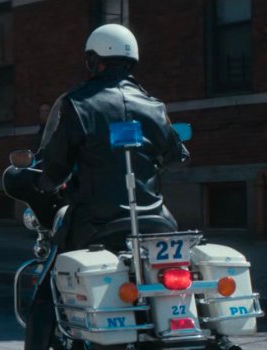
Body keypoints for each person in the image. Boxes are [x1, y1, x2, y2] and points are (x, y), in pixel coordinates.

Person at [22, 23, 189, 350]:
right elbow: (177, 155)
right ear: (132, 61)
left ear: (93, 61)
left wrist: (43, 182)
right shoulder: (154, 107)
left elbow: (53, 168)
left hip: (96, 222)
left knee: (47, 293)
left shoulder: (76, 104)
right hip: (156, 224)